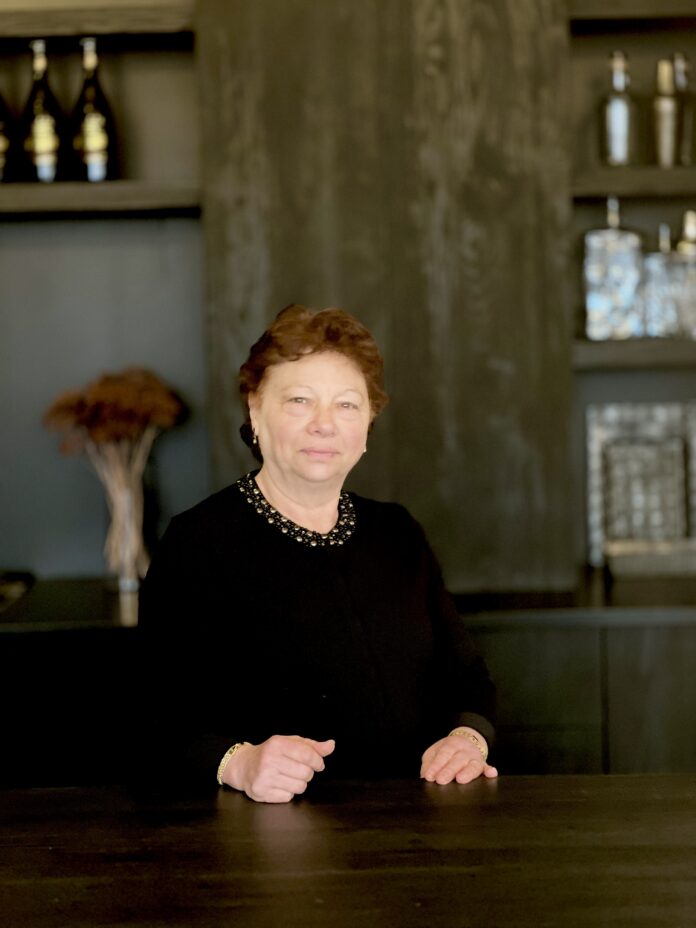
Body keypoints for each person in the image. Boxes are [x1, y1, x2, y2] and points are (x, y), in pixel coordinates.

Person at [138, 304, 497, 803]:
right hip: (270, 841)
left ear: (368, 422)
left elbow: (468, 680)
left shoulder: (397, 531)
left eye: (347, 405)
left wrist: (468, 739)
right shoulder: (198, 542)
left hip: (416, 823)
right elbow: (156, 722)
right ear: (255, 411)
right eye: (301, 401)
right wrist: (240, 764)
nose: (325, 425)